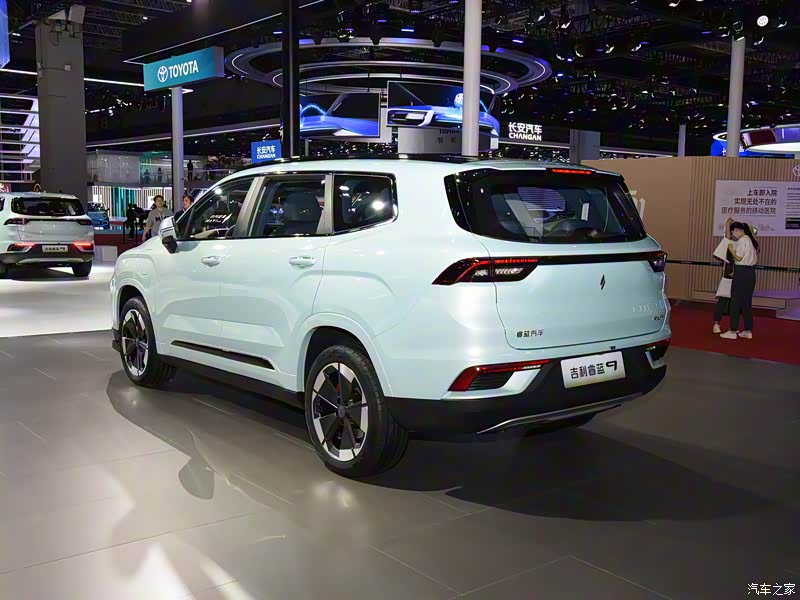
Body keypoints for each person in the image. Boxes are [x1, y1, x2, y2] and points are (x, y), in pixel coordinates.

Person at [720, 218, 759, 340]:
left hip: (741, 272)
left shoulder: (743, 240)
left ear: (737, 230)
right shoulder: (750, 240)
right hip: (750, 273)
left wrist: (731, 249)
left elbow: (739, 258)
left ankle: (733, 331)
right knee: (746, 303)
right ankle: (748, 330)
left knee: (735, 302)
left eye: (733, 233)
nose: (733, 236)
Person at [712, 222, 737, 333]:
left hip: (739, 277)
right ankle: (716, 323)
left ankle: (733, 327)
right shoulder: (728, 243)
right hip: (728, 276)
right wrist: (727, 225)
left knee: (736, 302)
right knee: (723, 300)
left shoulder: (743, 243)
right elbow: (726, 237)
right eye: (734, 231)